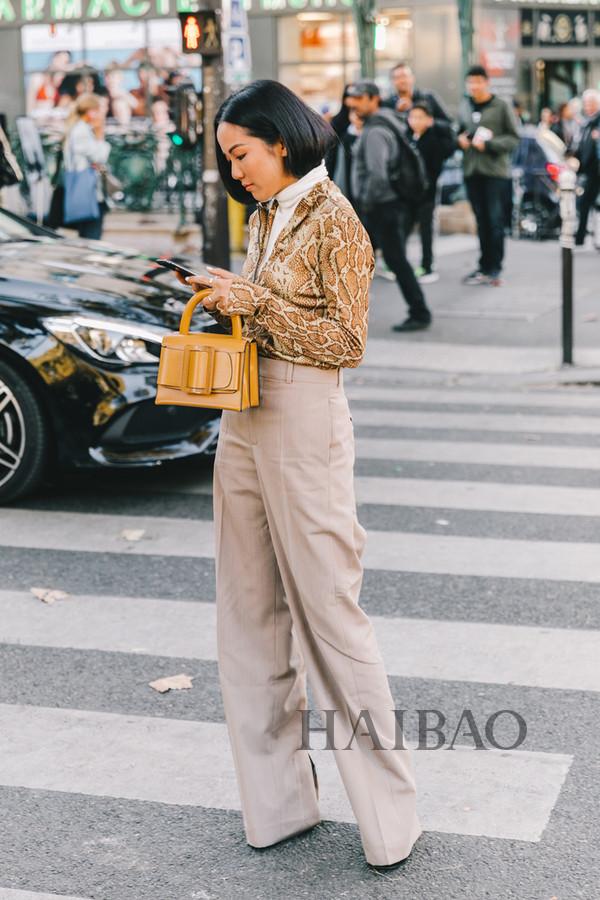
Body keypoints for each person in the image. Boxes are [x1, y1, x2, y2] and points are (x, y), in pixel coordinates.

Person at [179, 78, 422, 870]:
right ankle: (278, 807)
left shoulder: (335, 218)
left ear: (280, 139)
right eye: (229, 160)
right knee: (247, 615)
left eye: (242, 154)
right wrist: (229, 298)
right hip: (244, 411)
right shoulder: (267, 213)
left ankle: (390, 818)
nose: (236, 172)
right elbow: (274, 313)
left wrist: (254, 301)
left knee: (328, 614)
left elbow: (345, 341)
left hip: (307, 415)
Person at [346, 80, 432, 332]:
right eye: (353, 98)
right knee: (362, 260)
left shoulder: (375, 131)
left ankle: (420, 311)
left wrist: (365, 203)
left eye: (360, 98)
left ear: (374, 99)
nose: (354, 103)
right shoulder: (384, 124)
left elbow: (377, 173)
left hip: (381, 206)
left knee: (392, 260)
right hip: (384, 205)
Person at [458, 65, 519, 286]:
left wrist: (490, 145)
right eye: (470, 82)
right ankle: (483, 265)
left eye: (477, 81)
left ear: (486, 83)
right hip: (471, 170)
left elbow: (514, 138)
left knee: (495, 221)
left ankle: (495, 267)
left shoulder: (501, 106)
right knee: (481, 221)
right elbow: (460, 130)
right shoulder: (465, 105)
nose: (474, 86)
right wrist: (460, 140)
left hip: (495, 173)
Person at [407, 100, 457, 283]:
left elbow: (436, 165)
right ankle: (400, 265)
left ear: (429, 120)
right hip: (408, 192)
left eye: (420, 117)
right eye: (412, 117)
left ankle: (427, 266)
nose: (415, 121)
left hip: (427, 193)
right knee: (404, 228)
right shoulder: (408, 137)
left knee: (426, 230)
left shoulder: (434, 140)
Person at [62, 93, 111, 240]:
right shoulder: (81, 131)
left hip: (83, 187)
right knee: (91, 236)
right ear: (91, 111)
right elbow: (99, 156)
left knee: (87, 234)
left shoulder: (76, 128)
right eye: (99, 109)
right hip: (87, 190)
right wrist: (101, 137)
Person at [382, 61, 451, 125]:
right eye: (397, 77)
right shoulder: (387, 103)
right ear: (392, 81)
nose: (402, 80)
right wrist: (396, 112)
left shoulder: (428, 97)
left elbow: (448, 122)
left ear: (412, 78)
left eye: (405, 76)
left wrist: (425, 120)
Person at [574, 89, 600, 247]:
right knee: (584, 204)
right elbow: (581, 146)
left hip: (596, 170)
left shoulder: (596, 122)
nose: (588, 106)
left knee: (589, 204)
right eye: (586, 104)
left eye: (591, 103)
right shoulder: (587, 123)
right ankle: (581, 236)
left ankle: (583, 237)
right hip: (590, 170)